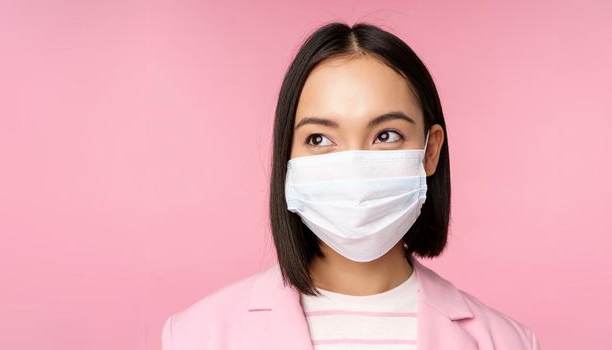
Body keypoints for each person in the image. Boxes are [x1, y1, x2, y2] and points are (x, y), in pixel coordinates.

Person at [161, 21, 541, 350]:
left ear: (430, 151)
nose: (355, 166)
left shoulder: (508, 342)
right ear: (287, 158)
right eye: (319, 139)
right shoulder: (197, 335)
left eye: (386, 135)